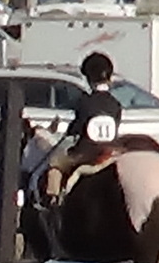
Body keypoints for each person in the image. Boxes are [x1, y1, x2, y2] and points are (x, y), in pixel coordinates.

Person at [40, 52, 127, 203]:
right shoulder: (115, 104)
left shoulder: (84, 101)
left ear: (89, 78)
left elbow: (77, 129)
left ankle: (52, 200)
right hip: (108, 152)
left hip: (85, 153)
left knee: (55, 163)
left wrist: (68, 133)